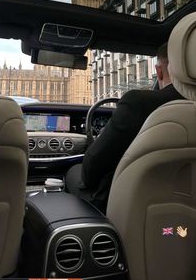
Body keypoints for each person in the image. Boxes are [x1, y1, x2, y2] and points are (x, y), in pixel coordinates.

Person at [66, 43, 184, 212]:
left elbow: (91, 169)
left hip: (130, 206)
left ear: (158, 71)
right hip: (191, 201)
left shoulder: (137, 103)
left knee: (75, 172)